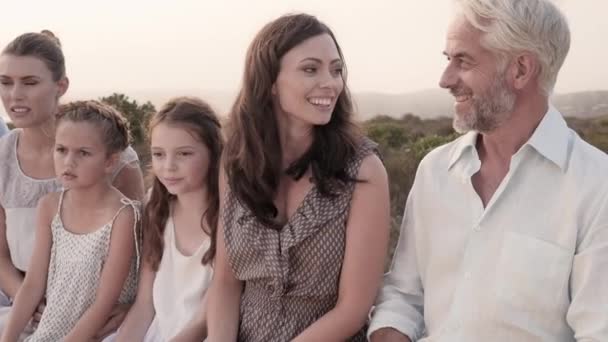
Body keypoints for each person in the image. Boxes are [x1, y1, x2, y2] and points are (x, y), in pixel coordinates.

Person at [368, 0, 608, 341]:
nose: (445, 79)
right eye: (447, 60)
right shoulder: (435, 170)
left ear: (521, 69)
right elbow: (404, 296)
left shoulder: (597, 186)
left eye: (463, 60)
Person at [206, 13, 390, 341]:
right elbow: (226, 282)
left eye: (336, 70)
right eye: (310, 69)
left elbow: (353, 309)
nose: (331, 83)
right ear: (270, 81)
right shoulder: (236, 163)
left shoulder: (363, 171)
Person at [0, 30, 145, 338]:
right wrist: (32, 301)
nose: (15, 95)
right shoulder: (4, 161)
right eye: (5, 82)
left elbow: (142, 250)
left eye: (30, 82)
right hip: (26, 302)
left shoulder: (115, 157)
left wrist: (132, 305)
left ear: (61, 85)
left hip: (99, 313)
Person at [115, 97, 222, 341]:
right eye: (159, 154)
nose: (169, 166)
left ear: (214, 154)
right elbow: (144, 305)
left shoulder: (228, 216)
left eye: (184, 153)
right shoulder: (156, 206)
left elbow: (203, 321)